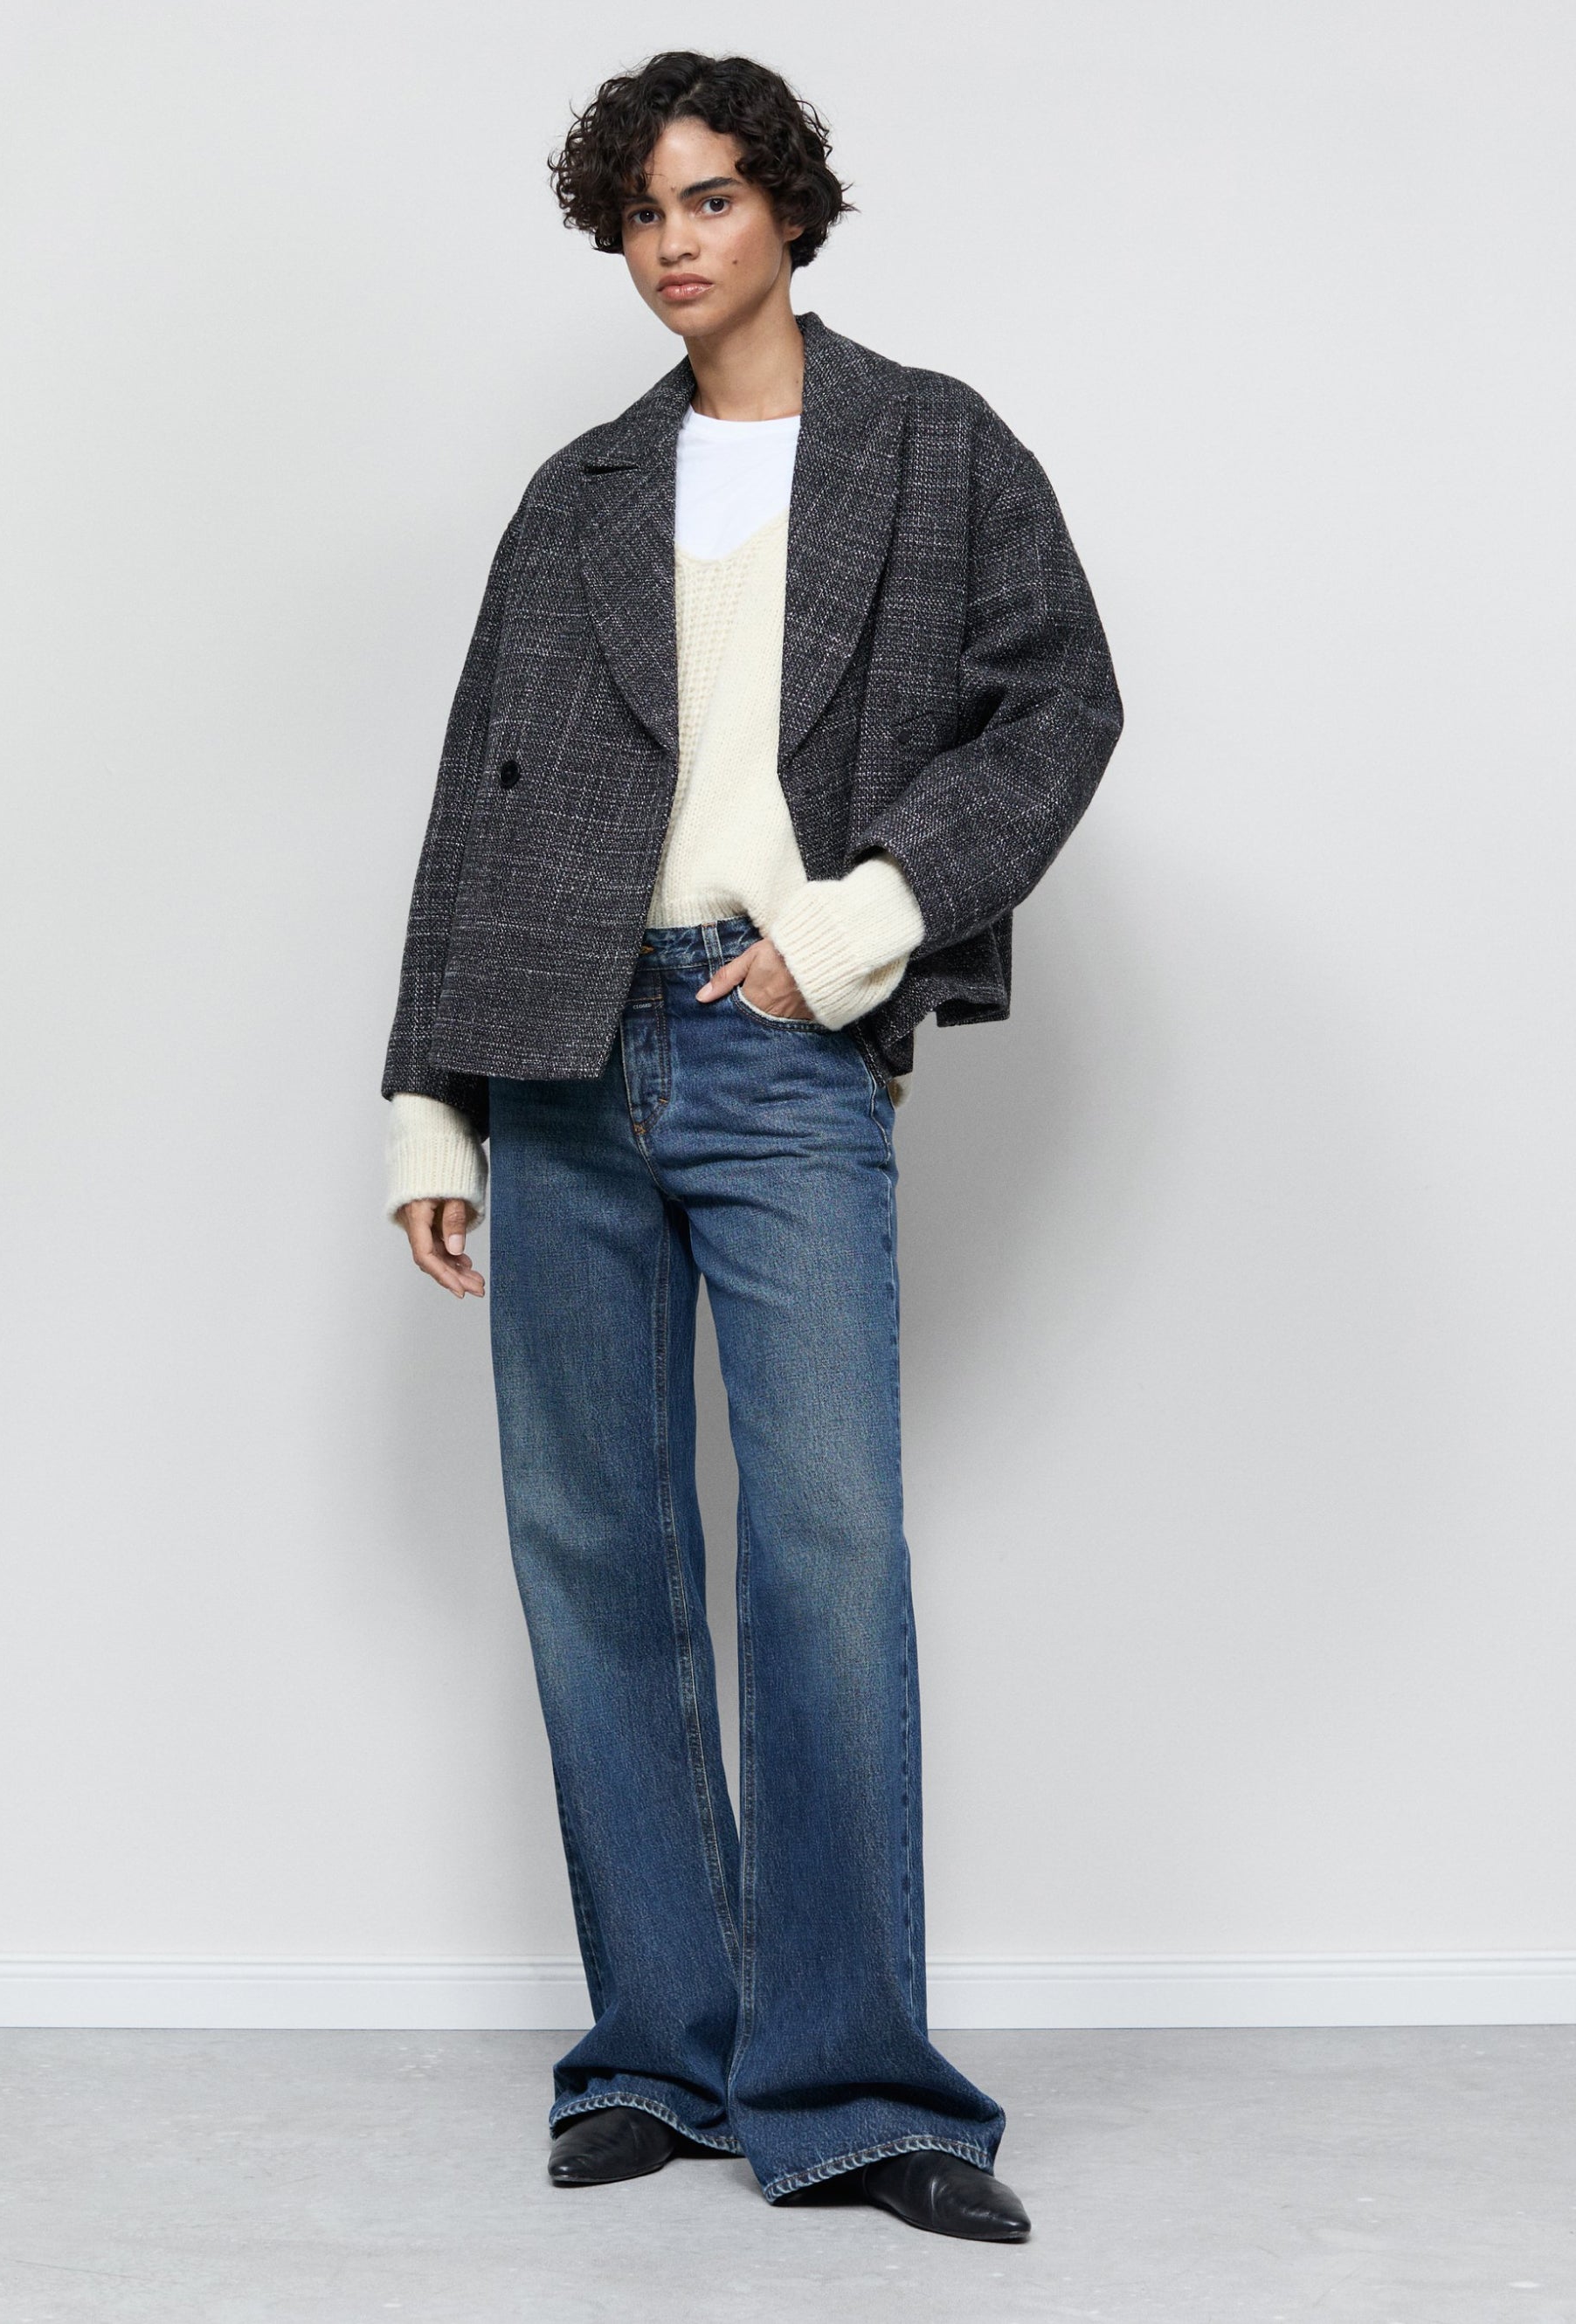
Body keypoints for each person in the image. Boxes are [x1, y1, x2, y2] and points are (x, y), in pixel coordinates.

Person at [382, 52, 1123, 2244]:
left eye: (708, 198)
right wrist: (429, 1097)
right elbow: (478, 788)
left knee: (822, 1553)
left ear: (788, 206)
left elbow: (1058, 705)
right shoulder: (577, 494)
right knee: (593, 1552)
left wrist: (854, 927)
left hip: (777, 1036)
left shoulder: (936, 446)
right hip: (556, 1052)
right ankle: (661, 2047)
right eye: (639, 214)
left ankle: (862, 2087)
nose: (672, 243)